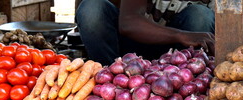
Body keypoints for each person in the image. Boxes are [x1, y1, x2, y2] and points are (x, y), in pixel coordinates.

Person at [76, 0, 215, 66]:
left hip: (177, 58)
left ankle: (187, 84)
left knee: (201, 15)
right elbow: (128, 22)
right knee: (92, 8)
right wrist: (181, 35)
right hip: (128, 52)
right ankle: (106, 80)